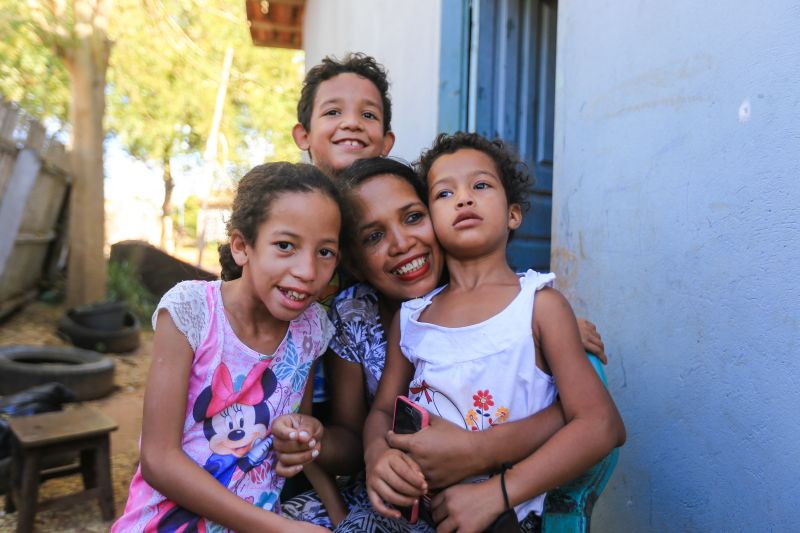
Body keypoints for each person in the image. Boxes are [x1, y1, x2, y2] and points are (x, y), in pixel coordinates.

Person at [278, 157, 609, 532]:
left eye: (413, 217)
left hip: (496, 504)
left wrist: (482, 453)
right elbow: (363, 429)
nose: (402, 243)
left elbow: (591, 418)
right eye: (373, 236)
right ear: (351, 260)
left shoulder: (522, 309)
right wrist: (369, 454)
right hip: (399, 497)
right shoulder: (358, 315)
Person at [362, 133, 626, 533]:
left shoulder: (539, 307)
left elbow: (601, 425)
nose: (464, 199)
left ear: (513, 214)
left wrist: (499, 493)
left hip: (507, 519)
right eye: (444, 194)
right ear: (432, 218)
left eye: (480, 186)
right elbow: (382, 410)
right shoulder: (413, 316)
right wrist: (376, 453)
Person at [111, 163, 348, 532]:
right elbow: (158, 459)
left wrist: (341, 520)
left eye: (326, 252)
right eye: (285, 246)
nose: (307, 270)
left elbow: (292, 435)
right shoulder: (192, 311)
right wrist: (279, 528)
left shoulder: (311, 329)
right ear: (242, 247)